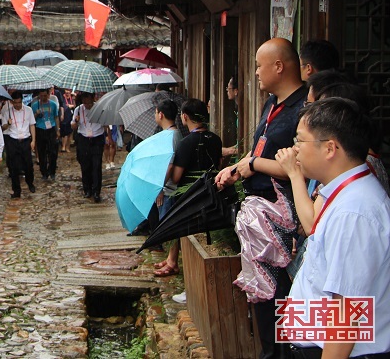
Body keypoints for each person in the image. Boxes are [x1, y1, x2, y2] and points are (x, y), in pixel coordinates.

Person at [215, 37, 306, 359]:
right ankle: (269, 351)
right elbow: (261, 148)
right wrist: (239, 169)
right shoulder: (271, 103)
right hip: (259, 215)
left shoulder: (304, 109)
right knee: (264, 294)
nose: (255, 72)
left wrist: (251, 164)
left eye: (259, 65)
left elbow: (299, 165)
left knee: (281, 291)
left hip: (285, 217)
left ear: (279, 67)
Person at [278, 98, 390, 358]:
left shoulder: (354, 213)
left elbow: (347, 312)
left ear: (330, 148)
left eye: (299, 141)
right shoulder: (342, 194)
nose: (294, 150)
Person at [155, 99, 222, 278]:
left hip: (188, 197)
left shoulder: (186, 143)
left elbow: (176, 177)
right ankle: (172, 260)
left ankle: (188, 274)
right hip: (211, 194)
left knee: (189, 237)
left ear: (184, 117)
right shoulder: (215, 139)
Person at [71, 92, 107, 202]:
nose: (87, 105)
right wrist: (76, 121)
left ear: (93, 99)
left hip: (97, 138)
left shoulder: (99, 108)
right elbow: (73, 126)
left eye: (89, 102)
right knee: (85, 165)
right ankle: (87, 189)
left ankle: (96, 191)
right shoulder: (78, 109)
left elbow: (105, 124)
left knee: (96, 165)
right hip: (84, 139)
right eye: (85, 102)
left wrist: (109, 137)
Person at [0, 90, 36, 197]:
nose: (17, 105)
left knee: (28, 164)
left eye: (19, 102)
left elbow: (32, 125)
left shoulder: (28, 110)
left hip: (25, 140)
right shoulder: (7, 112)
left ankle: (30, 183)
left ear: (22, 101)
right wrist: (8, 124)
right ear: (12, 102)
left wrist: (33, 140)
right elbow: (3, 128)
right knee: (14, 167)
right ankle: (16, 190)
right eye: (15, 103)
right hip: (13, 140)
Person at [31, 89, 60, 182]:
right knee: (42, 152)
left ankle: (52, 171)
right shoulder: (35, 105)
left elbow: (56, 117)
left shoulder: (53, 104)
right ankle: (44, 172)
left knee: (53, 152)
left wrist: (58, 130)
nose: (43, 97)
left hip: (51, 128)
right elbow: (31, 119)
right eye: (41, 96)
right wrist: (36, 114)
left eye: (45, 95)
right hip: (40, 129)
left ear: (48, 95)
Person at [221, 76, 240, 158]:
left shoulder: (242, 112)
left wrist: (229, 151)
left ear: (235, 91)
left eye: (228, 88)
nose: (227, 91)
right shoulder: (239, 110)